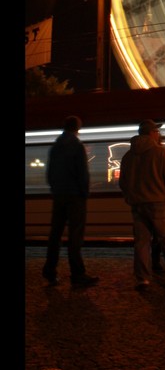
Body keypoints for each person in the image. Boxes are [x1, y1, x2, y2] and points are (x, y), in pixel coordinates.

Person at [118, 119, 165, 289]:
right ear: (152, 133)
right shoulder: (161, 153)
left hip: (137, 205)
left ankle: (142, 278)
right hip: (159, 203)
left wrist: (132, 197)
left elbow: (123, 183)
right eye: (157, 131)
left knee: (142, 242)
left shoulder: (128, 156)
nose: (159, 134)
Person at [42, 115, 99, 288]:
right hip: (75, 196)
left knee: (55, 234)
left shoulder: (55, 146)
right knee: (75, 236)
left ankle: (50, 271)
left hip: (59, 195)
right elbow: (82, 174)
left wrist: (55, 189)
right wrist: (84, 193)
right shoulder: (77, 146)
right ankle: (77, 274)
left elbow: (49, 173)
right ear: (77, 128)